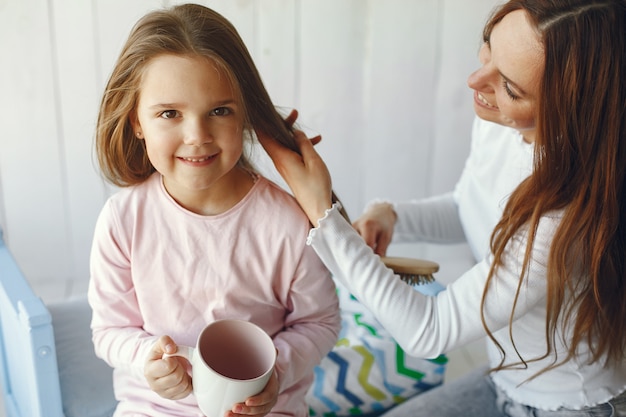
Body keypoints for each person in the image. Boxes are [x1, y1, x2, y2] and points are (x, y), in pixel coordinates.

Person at [259, 0, 626, 416]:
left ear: (571, 110)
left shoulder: (562, 218)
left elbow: (429, 331)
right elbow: (468, 207)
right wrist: (390, 213)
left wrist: (321, 211)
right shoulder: (503, 127)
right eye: (488, 48)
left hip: (565, 406)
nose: (475, 80)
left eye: (509, 86)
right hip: (502, 377)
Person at [88, 4, 341, 417]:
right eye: (169, 113)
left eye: (219, 111)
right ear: (136, 121)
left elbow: (321, 323)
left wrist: (274, 372)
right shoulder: (123, 221)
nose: (197, 136)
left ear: (244, 115)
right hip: (153, 408)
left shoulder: (288, 224)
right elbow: (109, 330)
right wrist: (146, 359)